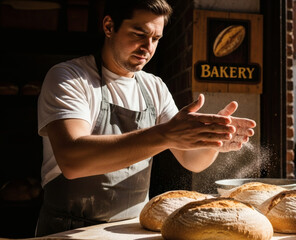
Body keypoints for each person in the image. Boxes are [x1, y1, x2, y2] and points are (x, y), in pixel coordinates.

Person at [35, 0, 256, 236]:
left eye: (156, 39)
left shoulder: (154, 87)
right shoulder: (69, 77)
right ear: (109, 26)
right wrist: (165, 134)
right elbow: (72, 160)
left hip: (131, 230)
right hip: (68, 230)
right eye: (139, 34)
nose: (147, 47)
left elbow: (191, 160)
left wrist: (211, 140)